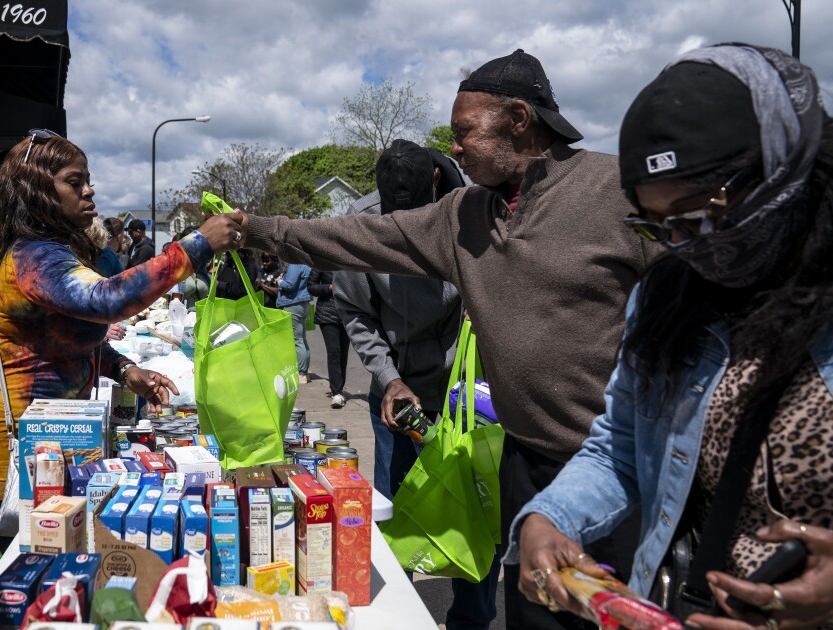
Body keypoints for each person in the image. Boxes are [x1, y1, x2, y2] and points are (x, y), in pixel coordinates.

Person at [233, 49, 658, 630]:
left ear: (517, 118)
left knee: (610, 618)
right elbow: (359, 238)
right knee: (537, 615)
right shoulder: (462, 215)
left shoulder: (617, 192)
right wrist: (254, 229)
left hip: (618, 468)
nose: (454, 147)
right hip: (523, 458)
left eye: (464, 131)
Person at [513, 44, 833, 630]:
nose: (688, 244)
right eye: (659, 225)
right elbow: (620, 448)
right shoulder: (667, 301)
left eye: (704, 210)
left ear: (783, 161)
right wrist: (550, 516)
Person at [0, 131, 242, 548]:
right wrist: (196, 246)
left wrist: (125, 370)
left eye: (88, 179)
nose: (89, 189)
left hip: (43, 437)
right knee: (37, 557)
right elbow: (109, 299)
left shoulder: (49, 251)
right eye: (74, 181)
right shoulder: (35, 257)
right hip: (5, 446)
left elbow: (69, 339)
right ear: (38, 191)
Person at [337, 140, 494, 629]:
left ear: (434, 182)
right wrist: (389, 380)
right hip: (396, 395)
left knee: (474, 512)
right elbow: (357, 315)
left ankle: (471, 620)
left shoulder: (477, 213)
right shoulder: (360, 226)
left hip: (465, 392)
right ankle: (396, 617)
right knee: (394, 512)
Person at [307, 268, 349, 408]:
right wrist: (329, 287)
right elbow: (311, 287)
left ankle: (340, 389)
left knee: (343, 353)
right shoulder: (320, 262)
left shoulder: (348, 262)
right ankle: (336, 392)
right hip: (327, 313)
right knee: (334, 352)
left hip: (347, 314)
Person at [277, 261, 313, 384]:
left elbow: (290, 285)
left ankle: (301, 373)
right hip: (302, 303)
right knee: (302, 339)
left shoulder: (295, 264)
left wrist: (279, 281)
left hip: (293, 303)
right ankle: (305, 372)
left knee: (297, 340)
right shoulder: (305, 264)